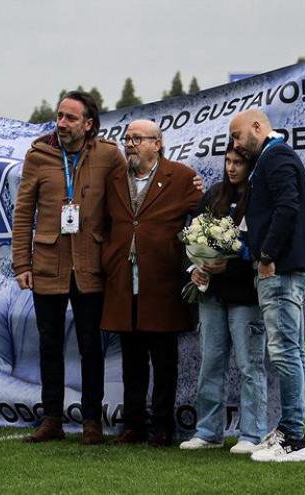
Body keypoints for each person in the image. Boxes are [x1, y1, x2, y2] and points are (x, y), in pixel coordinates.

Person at [11, 91, 126, 444]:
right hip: (48, 264)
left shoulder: (109, 155)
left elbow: (126, 203)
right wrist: (21, 262)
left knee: (91, 346)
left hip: (91, 266)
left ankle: (92, 420)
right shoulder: (38, 156)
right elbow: (23, 212)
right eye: (59, 116)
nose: (61, 123)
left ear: (88, 124)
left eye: (70, 118)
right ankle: (52, 420)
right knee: (49, 345)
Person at [101, 119, 203, 447]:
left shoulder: (183, 177)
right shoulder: (114, 179)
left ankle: (162, 426)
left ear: (156, 144)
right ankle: (133, 425)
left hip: (162, 282)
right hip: (123, 282)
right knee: (131, 360)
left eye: (137, 138)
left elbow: (203, 219)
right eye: (126, 138)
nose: (129, 143)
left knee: (164, 360)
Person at [229, 109, 305, 462]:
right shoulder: (274, 156)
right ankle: (289, 430)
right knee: (292, 351)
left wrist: (266, 255)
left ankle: (294, 439)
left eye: (236, 136)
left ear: (256, 127)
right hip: (285, 266)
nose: (235, 144)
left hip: (279, 269)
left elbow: (287, 206)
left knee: (285, 353)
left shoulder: (276, 156)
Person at [179, 142, 268, 455]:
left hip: (246, 296)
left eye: (238, 163)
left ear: (250, 166)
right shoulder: (214, 193)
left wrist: (235, 258)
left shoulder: (259, 195)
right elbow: (191, 235)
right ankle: (208, 432)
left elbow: (262, 242)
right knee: (211, 365)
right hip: (213, 296)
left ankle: (252, 434)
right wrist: (196, 267)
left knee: (249, 366)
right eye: (228, 161)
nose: (231, 168)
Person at [0, 280, 123, 410]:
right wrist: (58, 402)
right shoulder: (10, 297)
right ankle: (52, 419)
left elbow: (114, 406)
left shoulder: (113, 303)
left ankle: (72, 422)